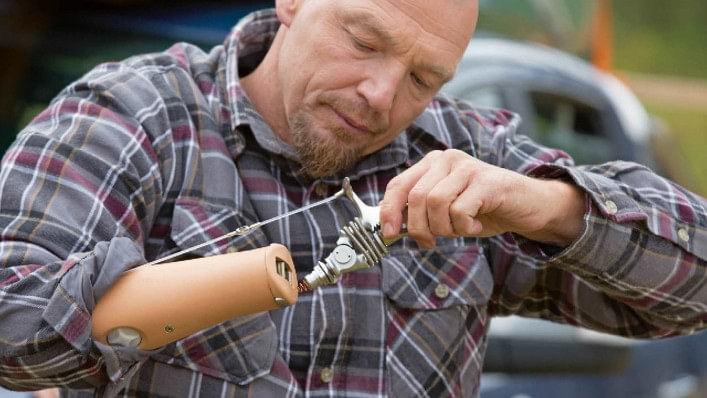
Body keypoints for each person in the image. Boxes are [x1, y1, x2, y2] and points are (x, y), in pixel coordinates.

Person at [0, 0, 705, 397]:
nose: (380, 95)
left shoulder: (465, 154)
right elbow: (12, 328)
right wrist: (229, 278)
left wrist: (547, 208)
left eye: (423, 79)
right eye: (364, 41)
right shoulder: (132, 117)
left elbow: (692, 287)